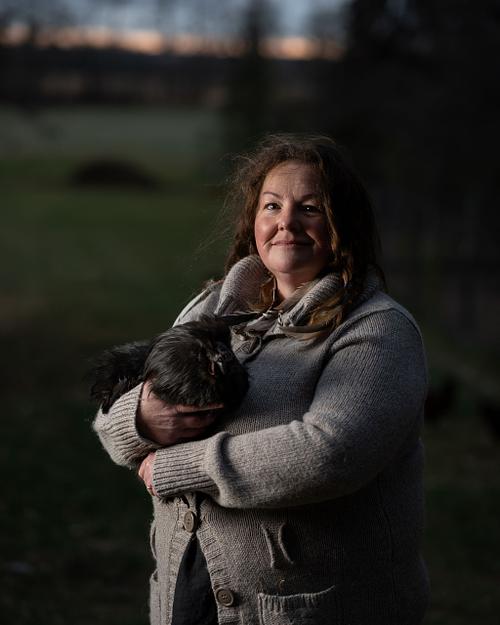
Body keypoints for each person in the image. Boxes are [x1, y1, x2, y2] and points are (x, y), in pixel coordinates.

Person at [93, 134, 429, 625]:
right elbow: (111, 412)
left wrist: (179, 465)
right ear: (253, 220)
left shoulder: (377, 330)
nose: (286, 222)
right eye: (272, 206)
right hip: (188, 591)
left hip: (313, 609)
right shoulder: (210, 308)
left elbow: (331, 453)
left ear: (344, 225)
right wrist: (141, 418)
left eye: (310, 207)